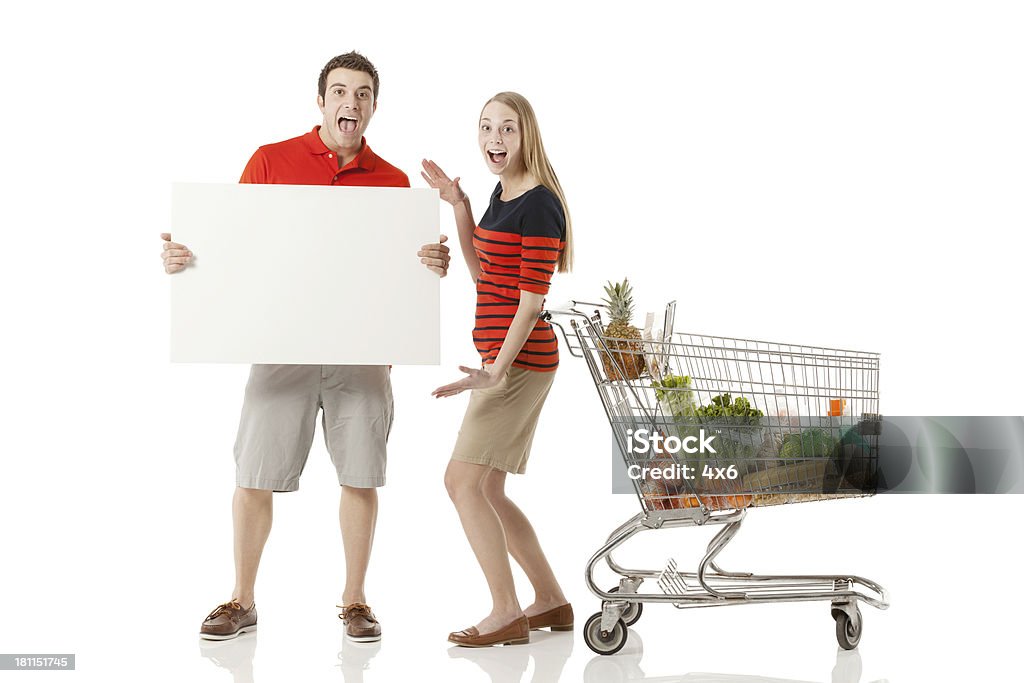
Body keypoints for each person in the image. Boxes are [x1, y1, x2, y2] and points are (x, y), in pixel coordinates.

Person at [161, 52, 451, 642]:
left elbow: (398, 276)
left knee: (361, 477)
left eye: (363, 93)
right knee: (253, 475)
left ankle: (355, 601)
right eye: (340, 92)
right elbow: (234, 246)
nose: (351, 103)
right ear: (320, 100)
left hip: (362, 357)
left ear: (374, 105)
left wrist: (429, 266)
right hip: (282, 348)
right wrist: (190, 261)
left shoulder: (395, 183)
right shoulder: (271, 162)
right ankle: (241, 599)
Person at [421, 91, 574, 647]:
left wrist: (495, 371)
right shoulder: (503, 194)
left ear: (526, 134)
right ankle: (551, 600)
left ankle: (506, 610)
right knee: (487, 487)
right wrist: (459, 204)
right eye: (486, 127)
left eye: (507, 129)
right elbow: (485, 275)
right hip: (504, 364)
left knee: (460, 482)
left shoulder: (538, 203)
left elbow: (531, 301)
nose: (494, 139)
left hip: (517, 365)